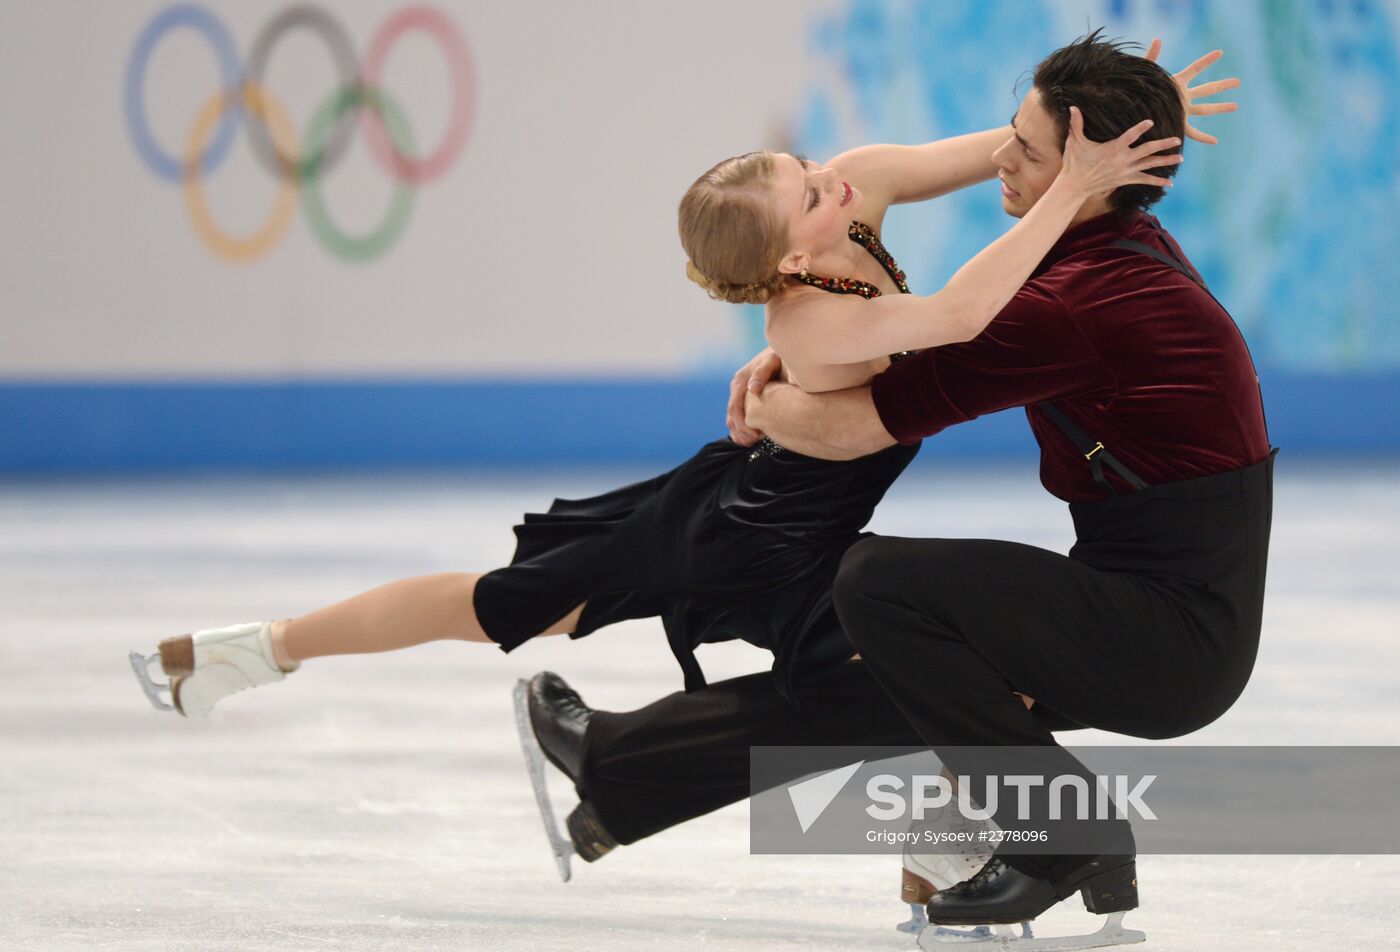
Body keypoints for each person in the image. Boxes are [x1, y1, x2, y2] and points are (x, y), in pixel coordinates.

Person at [526, 31, 1266, 947]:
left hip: (1169, 634)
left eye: (1027, 151)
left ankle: (1067, 838)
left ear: (1085, 172)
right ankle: (624, 765)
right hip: (1170, 610)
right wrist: (799, 349)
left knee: (879, 587)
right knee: (887, 678)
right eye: (1010, 132)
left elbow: (857, 422)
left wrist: (776, 392)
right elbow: (909, 338)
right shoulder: (1103, 246)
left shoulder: (1065, 303)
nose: (1000, 156)